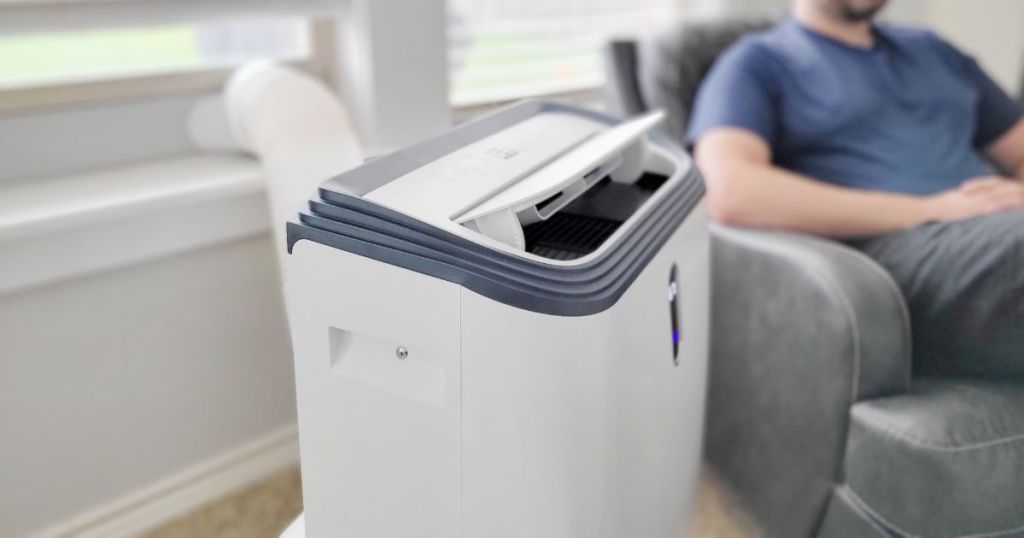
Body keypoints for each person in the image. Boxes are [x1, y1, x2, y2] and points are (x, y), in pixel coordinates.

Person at [688, 0, 1024, 377]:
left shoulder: (934, 50)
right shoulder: (757, 63)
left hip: (998, 231)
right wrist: (928, 208)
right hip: (902, 257)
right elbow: (730, 190)